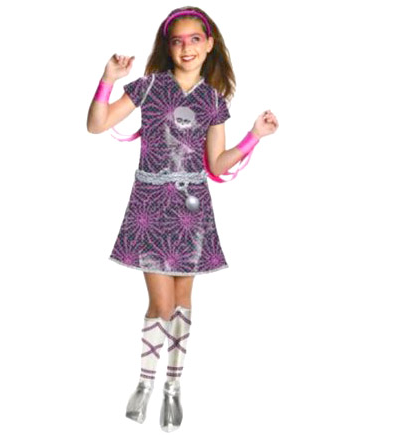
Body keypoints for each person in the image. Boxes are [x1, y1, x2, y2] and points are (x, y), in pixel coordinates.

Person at [86, 6, 279, 432]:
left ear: (209, 45)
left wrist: (254, 136)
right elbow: (97, 125)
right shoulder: (150, 86)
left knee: (183, 302)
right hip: (151, 204)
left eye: (194, 39)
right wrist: (108, 79)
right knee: (162, 303)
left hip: (192, 211)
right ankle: (145, 382)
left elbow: (217, 163)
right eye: (177, 41)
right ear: (167, 46)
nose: (186, 48)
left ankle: (173, 387)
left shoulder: (213, 101)